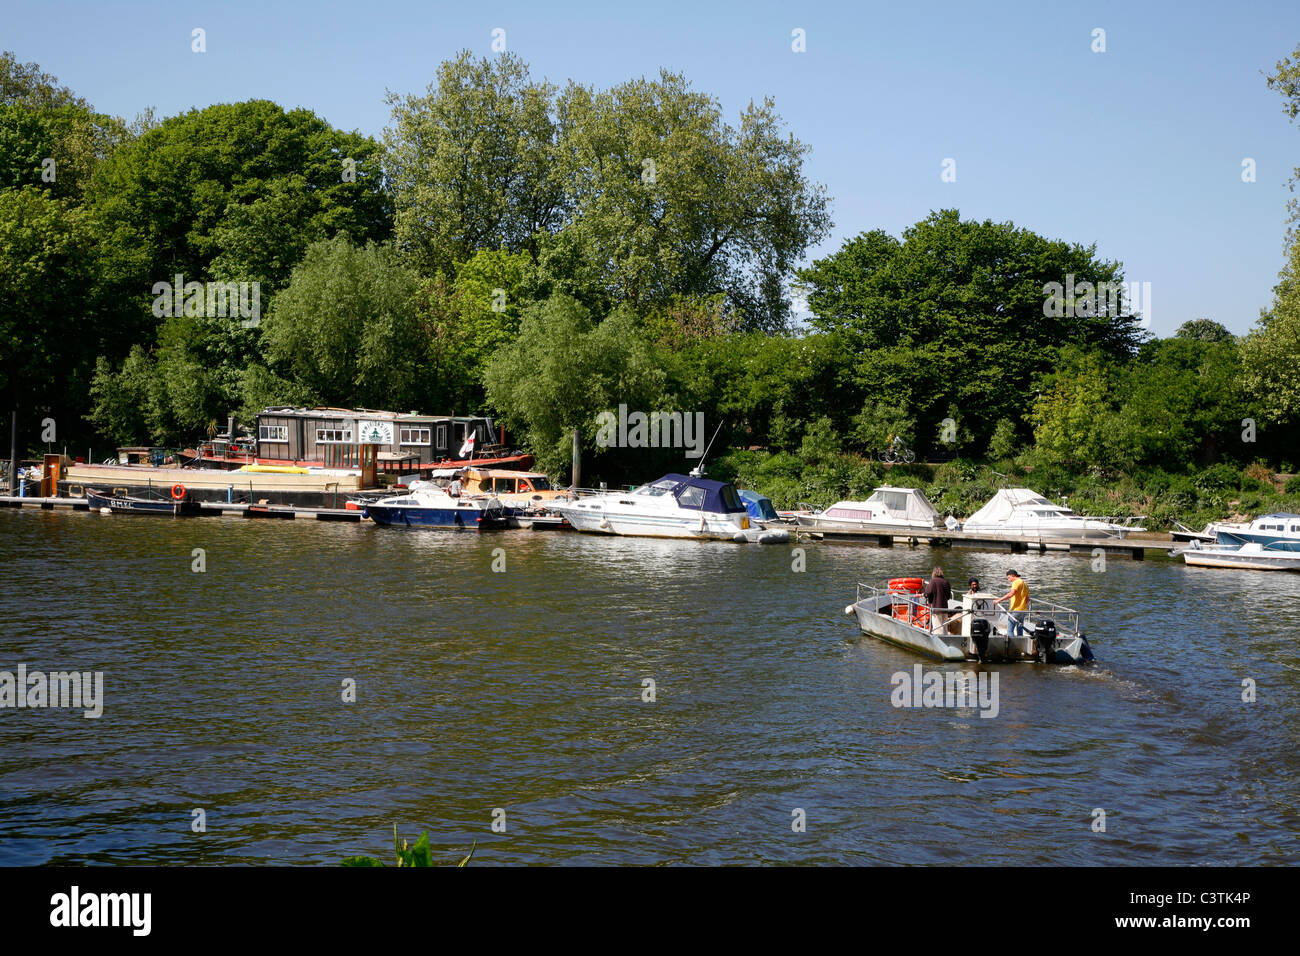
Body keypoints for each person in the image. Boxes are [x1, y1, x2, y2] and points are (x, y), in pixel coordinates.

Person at [994, 569, 1030, 639]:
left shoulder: (1016, 582)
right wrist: (1024, 606)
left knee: (1010, 629)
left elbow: (1011, 594)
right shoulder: (1025, 583)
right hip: (1023, 609)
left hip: (1016, 609)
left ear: (1012, 575)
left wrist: (998, 600)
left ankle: (1012, 645)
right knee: (1020, 629)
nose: (1009, 579)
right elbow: (1027, 598)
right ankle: (1020, 644)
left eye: (1008, 577)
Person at [923, 567, 952, 631]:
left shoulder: (933, 581)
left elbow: (928, 592)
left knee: (937, 628)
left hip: (936, 608)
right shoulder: (946, 581)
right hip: (944, 608)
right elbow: (948, 596)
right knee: (945, 627)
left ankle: (938, 640)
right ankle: (946, 639)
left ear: (933, 573)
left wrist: (924, 594)